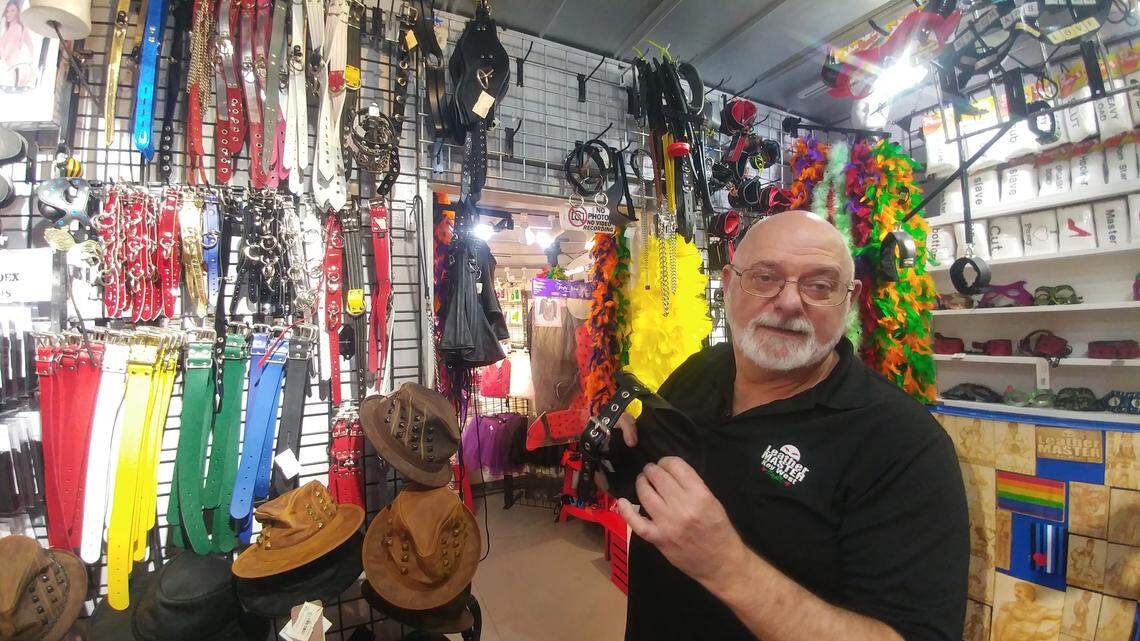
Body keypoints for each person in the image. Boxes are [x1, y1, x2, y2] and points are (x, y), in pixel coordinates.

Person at [615, 210, 969, 641]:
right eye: (765, 277)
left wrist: (727, 566)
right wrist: (620, 455)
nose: (788, 301)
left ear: (849, 298)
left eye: (819, 285)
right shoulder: (699, 371)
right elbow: (653, 492)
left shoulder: (904, 444)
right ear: (727, 284)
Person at [0, 0, 34, 89]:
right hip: (14, 70)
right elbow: (31, 46)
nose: (8, 14)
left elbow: (3, 55)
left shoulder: (16, 28)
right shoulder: (11, 27)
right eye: (7, 11)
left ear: (18, 12)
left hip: (13, 71)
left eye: (12, 11)